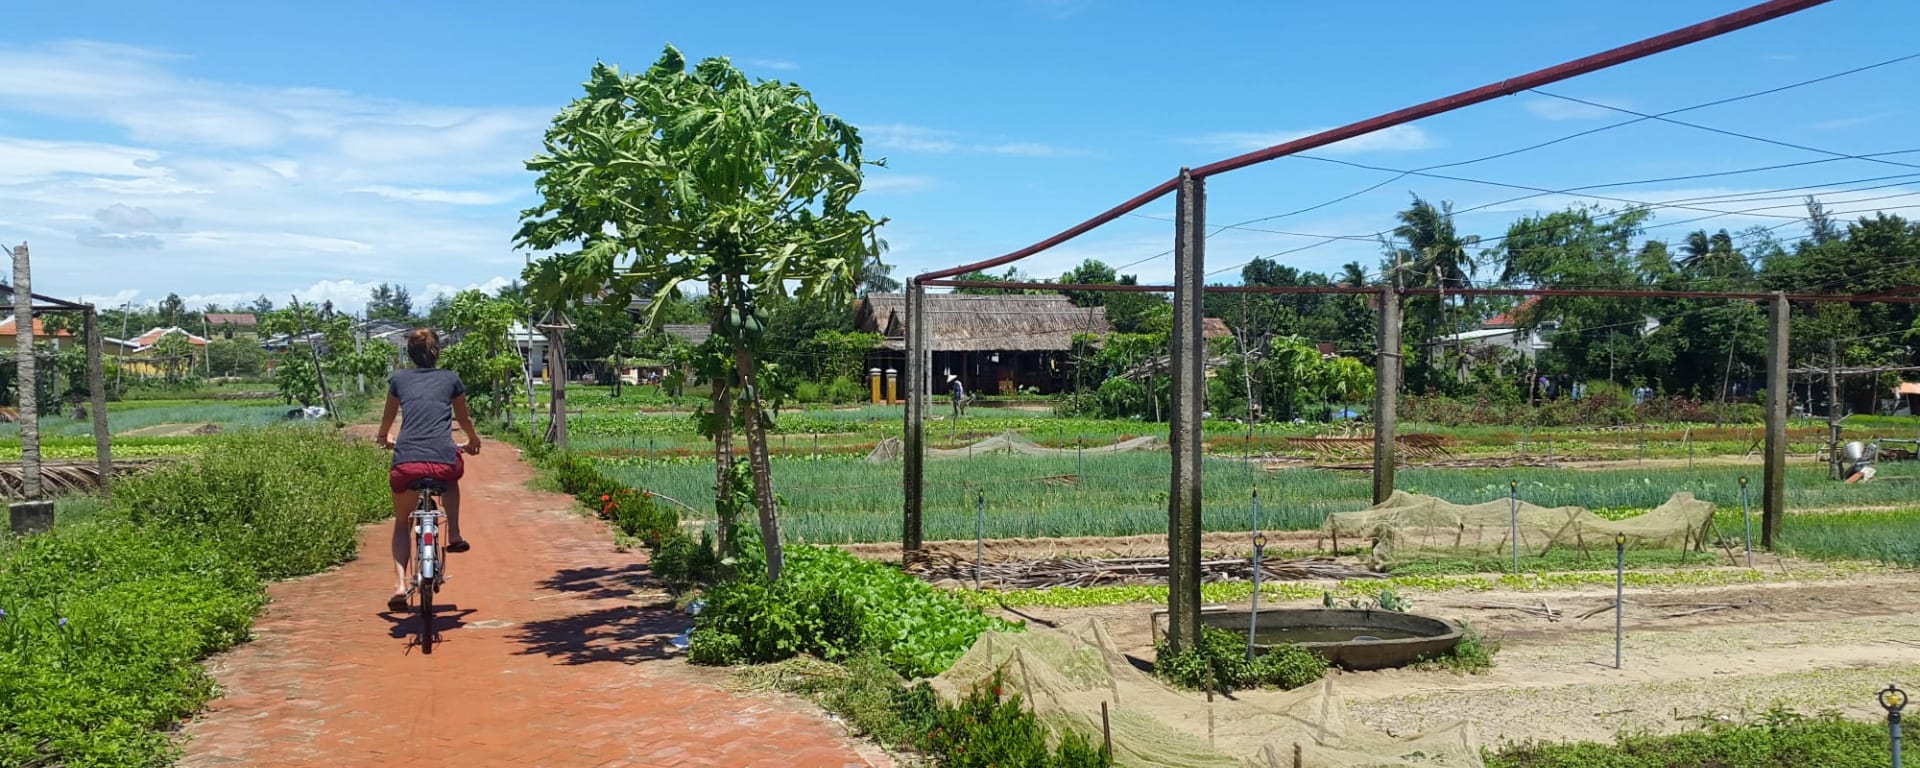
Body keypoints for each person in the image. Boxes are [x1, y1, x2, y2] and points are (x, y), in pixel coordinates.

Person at [376, 329, 482, 611]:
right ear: (438, 352)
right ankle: (456, 534)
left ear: (409, 354)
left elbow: (387, 420)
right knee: (451, 478)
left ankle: (400, 586)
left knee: (402, 523)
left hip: (406, 462)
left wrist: (383, 438)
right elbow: (463, 418)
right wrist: (472, 440)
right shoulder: (451, 379)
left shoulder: (398, 380)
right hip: (442, 459)